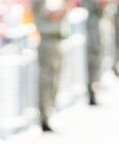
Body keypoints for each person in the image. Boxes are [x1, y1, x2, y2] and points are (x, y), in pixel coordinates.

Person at [32, 0, 72, 132]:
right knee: (47, 81)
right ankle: (45, 116)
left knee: (55, 80)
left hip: (57, 39)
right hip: (47, 41)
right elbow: (52, 13)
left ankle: (49, 112)